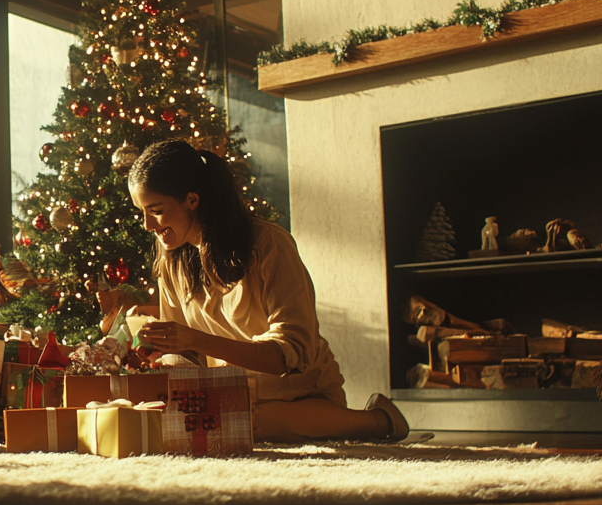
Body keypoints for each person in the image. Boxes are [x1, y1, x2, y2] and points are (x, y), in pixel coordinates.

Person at [100, 139, 411, 443]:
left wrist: (193, 339)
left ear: (192, 200)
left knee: (242, 422)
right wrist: (155, 348)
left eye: (155, 210)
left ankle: (378, 421)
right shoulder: (173, 259)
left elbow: (287, 357)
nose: (146, 225)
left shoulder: (268, 244)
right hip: (229, 393)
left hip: (297, 393)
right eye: (141, 212)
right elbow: (187, 353)